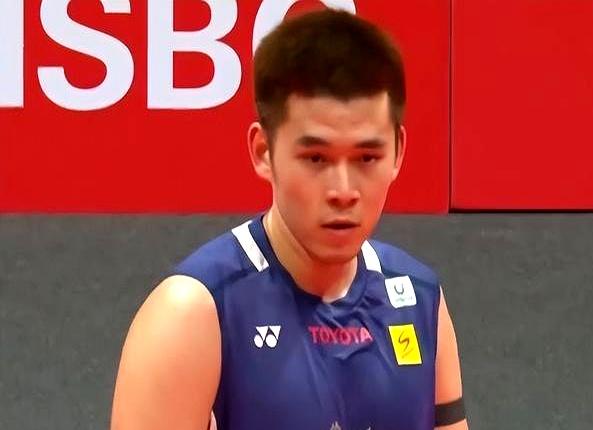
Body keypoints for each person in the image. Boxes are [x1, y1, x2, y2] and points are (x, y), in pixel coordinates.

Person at [110, 8, 468, 430]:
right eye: (316, 158)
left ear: (398, 153)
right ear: (263, 152)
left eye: (367, 158)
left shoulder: (419, 299)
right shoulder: (192, 316)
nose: (343, 190)